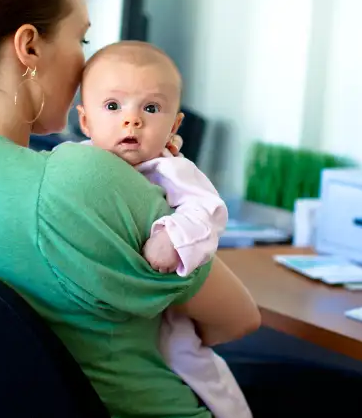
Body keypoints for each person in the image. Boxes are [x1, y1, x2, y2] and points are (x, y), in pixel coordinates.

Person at [0, 0, 362, 417]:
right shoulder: (80, 178)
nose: (86, 63)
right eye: (82, 38)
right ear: (29, 47)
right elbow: (237, 319)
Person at [76, 40, 250, 417]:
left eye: (150, 108)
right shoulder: (76, 163)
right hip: (118, 316)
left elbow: (207, 210)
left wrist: (170, 235)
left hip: (172, 306)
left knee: (193, 364)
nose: (132, 119)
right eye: (113, 106)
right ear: (85, 121)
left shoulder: (170, 169)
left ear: (174, 124)